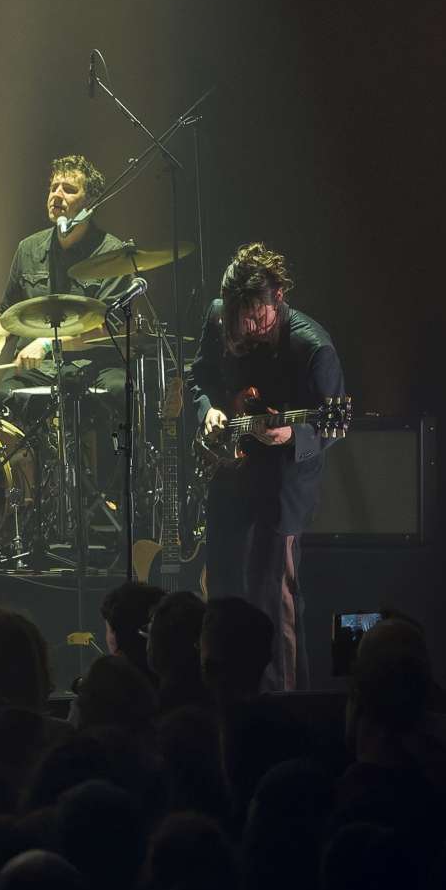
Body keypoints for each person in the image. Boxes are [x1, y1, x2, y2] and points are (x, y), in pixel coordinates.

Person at [189, 243, 343, 691]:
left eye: (257, 319)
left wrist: (292, 435)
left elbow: (331, 427)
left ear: (277, 296)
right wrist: (208, 411)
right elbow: (201, 377)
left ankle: (287, 705)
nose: (248, 330)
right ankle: (223, 698)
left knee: (274, 606)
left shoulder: (314, 348)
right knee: (221, 593)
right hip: (230, 473)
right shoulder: (221, 317)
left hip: (282, 486)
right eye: (239, 320)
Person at [0, 154, 132, 504]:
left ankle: (112, 497)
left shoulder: (112, 253)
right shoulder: (28, 249)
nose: (57, 195)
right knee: (3, 397)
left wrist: (46, 344)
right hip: (41, 370)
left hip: (93, 365)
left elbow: (103, 327)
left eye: (69, 188)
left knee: (120, 391)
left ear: (91, 202)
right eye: (53, 187)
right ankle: (22, 500)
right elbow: (5, 314)